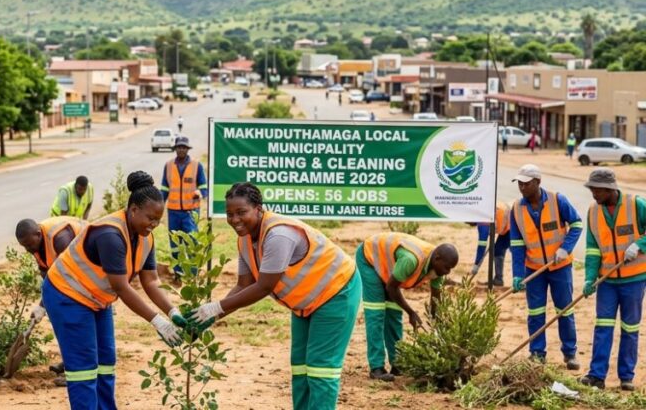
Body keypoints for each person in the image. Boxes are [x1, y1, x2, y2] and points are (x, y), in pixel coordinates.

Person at [191, 183, 360, 410]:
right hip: (305, 301)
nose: (234, 220)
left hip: (336, 291)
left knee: (321, 368)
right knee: (300, 367)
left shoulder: (279, 235)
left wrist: (214, 308)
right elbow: (244, 285)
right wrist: (208, 319)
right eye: (230, 214)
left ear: (259, 209)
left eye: (242, 212)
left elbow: (263, 287)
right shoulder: (245, 239)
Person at [44, 172, 186, 410]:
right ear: (133, 210)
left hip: (97, 299)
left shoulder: (144, 237)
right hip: (67, 295)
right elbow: (122, 287)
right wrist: (158, 322)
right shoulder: (110, 235)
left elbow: (150, 281)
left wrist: (173, 312)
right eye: (149, 218)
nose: (153, 225)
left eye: (158, 220)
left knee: (106, 361)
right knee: (84, 367)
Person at [509, 164, 583, 369]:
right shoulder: (516, 209)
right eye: (519, 183)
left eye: (526, 183)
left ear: (538, 182)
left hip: (560, 267)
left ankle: (570, 353)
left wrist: (565, 249)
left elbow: (577, 224)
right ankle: (537, 353)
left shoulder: (558, 200)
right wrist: (517, 275)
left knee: (564, 310)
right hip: (534, 269)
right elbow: (516, 245)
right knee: (535, 312)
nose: (522, 187)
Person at [357, 232, 458, 381]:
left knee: (394, 313)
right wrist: (411, 312)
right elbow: (391, 288)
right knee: (376, 314)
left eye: (450, 269)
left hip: (391, 270)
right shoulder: (411, 260)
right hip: (370, 258)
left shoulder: (438, 268)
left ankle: (398, 363)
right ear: (437, 259)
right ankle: (376, 368)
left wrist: (438, 328)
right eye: (446, 268)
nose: (447, 272)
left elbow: (436, 300)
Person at [579, 169, 646, 390]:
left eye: (597, 190)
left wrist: (639, 245)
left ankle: (626, 376)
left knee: (630, 328)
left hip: (634, 279)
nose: (593, 194)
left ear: (610, 189)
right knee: (603, 326)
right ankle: (597, 376)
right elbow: (592, 249)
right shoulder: (593, 211)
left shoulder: (636, 204)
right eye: (592, 189)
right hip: (606, 281)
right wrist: (589, 279)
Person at [15, 216, 86, 387]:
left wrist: (42, 305)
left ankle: (76, 372)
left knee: (74, 322)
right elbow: (48, 276)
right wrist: (45, 304)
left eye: (29, 245)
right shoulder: (36, 246)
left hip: (87, 276)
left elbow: (66, 278)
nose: (28, 250)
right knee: (60, 315)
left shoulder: (60, 239)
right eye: (24, 246)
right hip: (74, 278)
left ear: (38, 234)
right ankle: (71, 362)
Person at [160, 136, 208, 284]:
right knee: (175, 244)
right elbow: (164, 188)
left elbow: (203, 187)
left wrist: (201, 193)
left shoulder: (196, 165)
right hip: (173, 212)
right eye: (179, 147)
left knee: (191, 243)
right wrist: (159, 205)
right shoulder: (168, 165)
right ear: (175, 149)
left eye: (184, 147)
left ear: (187, 149)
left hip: (190, 212)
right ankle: (178, 275)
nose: (181, 149)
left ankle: (193, 275)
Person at [470, 201, 511, 287]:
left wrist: (476, 265)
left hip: (512, 226)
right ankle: (498, 279)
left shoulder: (482, 222)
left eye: (467, 221)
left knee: (501, 251)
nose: (468, 224)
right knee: (498, 250)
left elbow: (482, 246)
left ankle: (521, 282)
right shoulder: (483, 212)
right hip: (506, 224)